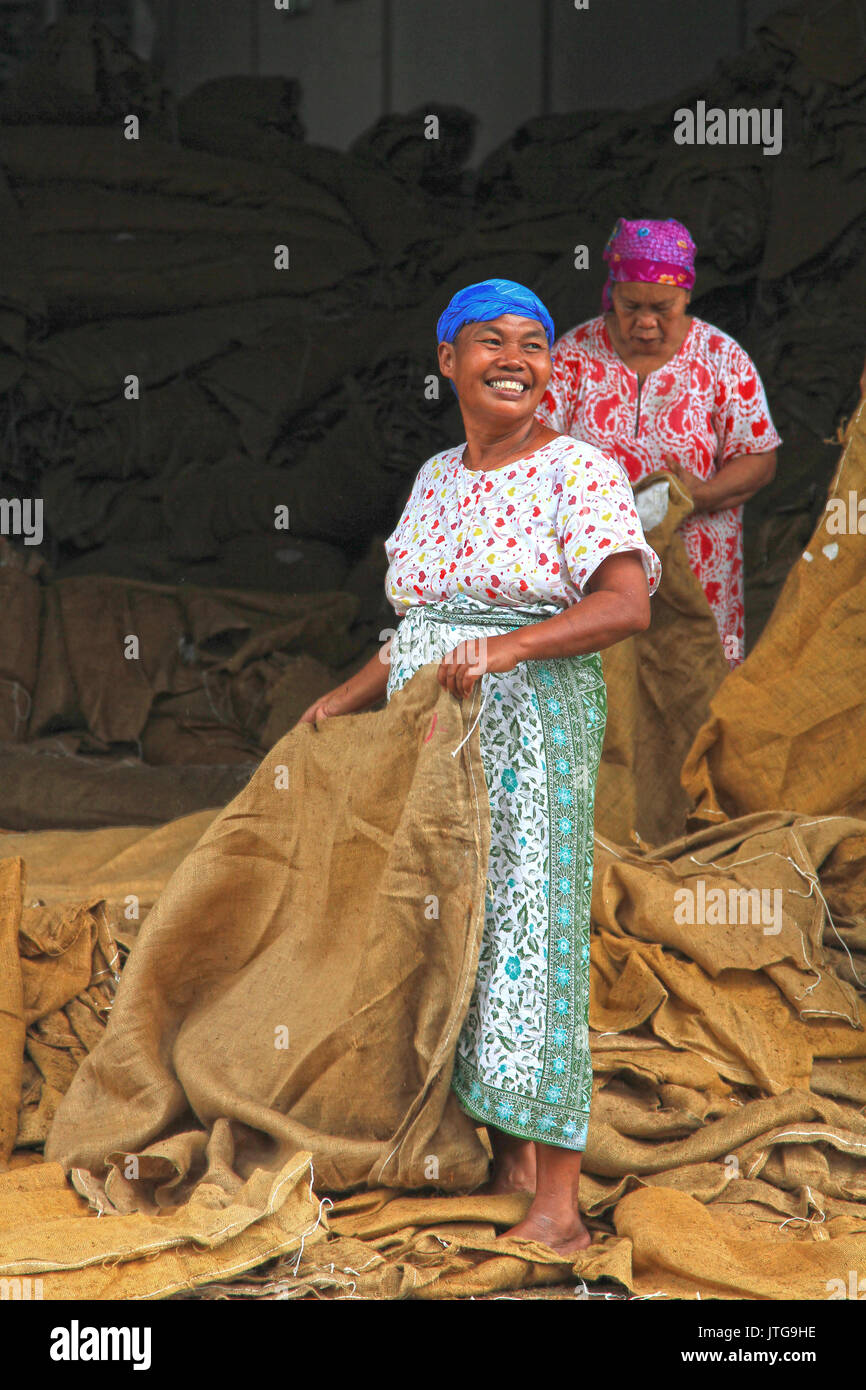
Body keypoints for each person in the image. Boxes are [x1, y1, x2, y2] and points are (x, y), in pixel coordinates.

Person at [297, 278, 661, 1254]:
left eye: (535, 343)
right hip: (436, 739)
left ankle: (558, 1203)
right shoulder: (435, 479)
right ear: (446, 359)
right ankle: (501, 1156)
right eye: (490, 340)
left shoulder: (576, 472)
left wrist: (505, 651)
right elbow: (421, 622)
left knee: (529, 941)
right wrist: (347, 694)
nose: (515, 357)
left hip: (529, 732)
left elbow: (625, 606)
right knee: (447, 929)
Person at [536, 217, 782, 668]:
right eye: (630, 306)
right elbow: (531, 458)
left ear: (686, 294)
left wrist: (700, 493)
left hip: (697, 573)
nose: (645, 323)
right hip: (595, 573)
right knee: (601, 691)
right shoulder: (573, 356)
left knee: (692, 689)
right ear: (612, 292)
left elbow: (760, 460)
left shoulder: (721, 358)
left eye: (663, 307)